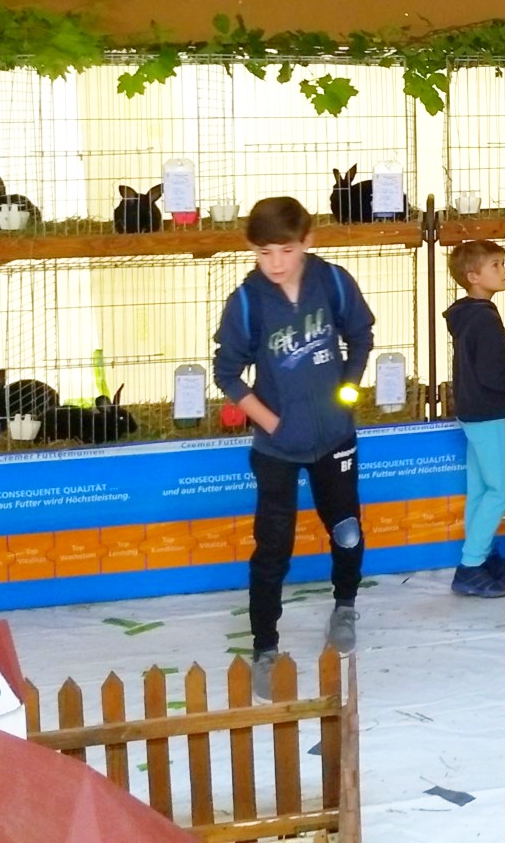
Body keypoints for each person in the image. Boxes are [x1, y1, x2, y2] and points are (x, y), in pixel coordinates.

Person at [214, 197, 374, 698]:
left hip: (335, 438)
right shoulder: (247, 302)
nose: (276, 263)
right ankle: (265, 648)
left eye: (286, 250)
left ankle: (344, 606)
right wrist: (272, 423)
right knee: (272, 548)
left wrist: (346, 392)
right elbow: (226, 373)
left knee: (346, 529)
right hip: (276, 450)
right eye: (264, 253)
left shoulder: (333, 283)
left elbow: (361, 337)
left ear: (307, 241)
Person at [443, 240, 505, 599]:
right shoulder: (485, 320)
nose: (504, 271)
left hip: (472, 410)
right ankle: (471, 565)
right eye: (496, 265)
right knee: (504, 488)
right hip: (489, 412)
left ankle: (482, 553)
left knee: (480, 489)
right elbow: (496, 376)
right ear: (472, 276)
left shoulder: (467, 315)